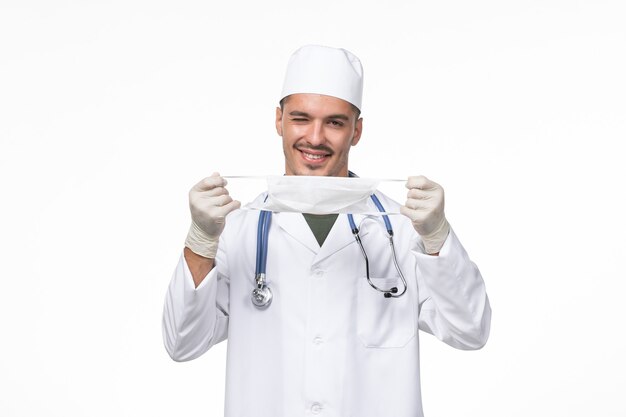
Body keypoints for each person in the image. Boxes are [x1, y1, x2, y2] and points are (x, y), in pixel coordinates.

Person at [162, 45, 491, 417]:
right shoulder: (238, 230)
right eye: (301, 118)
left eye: (334, 122)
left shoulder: (400, 229)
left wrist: (437, 238)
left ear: (357, 130)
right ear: (278, 121)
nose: (315, 138)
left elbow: (471, 331)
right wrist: (201, 242)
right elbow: (182, 343)